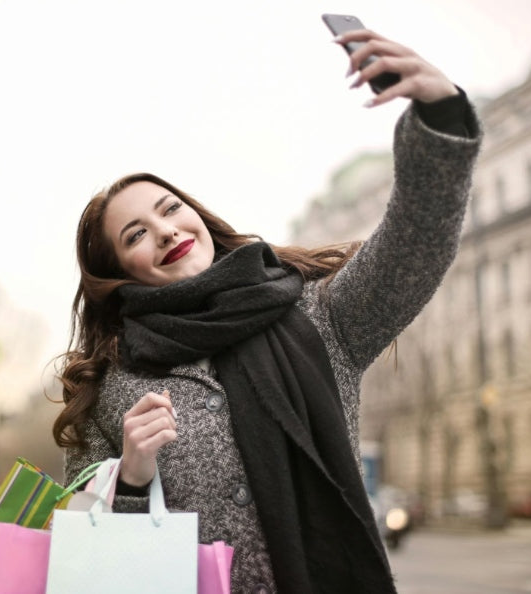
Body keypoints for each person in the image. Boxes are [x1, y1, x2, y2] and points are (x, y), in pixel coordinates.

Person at [53, 28, 481, 593]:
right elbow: (93, 566)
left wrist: (439, 118)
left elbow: (412, 249)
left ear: (197, 216)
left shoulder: (315, 315)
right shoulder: (107, 390)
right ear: (119, 272)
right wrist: (132, 480)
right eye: (136, 233)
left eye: (170, 209)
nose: (165, 231)